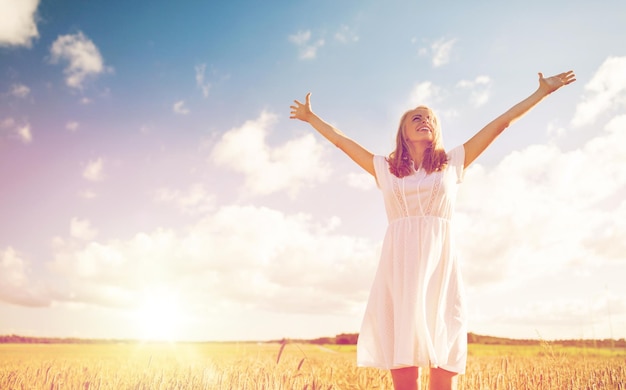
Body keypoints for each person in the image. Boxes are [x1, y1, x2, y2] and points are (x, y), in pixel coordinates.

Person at [289, 70, 576, 390]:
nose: (425, 119)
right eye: (416, 117)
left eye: (430, 118)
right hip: (399, 269)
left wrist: (542, 93)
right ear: (403, 131)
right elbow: (342, 142)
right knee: (403, 365)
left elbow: (500, 124)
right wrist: (312, 118)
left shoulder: (453, 161)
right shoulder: (384, 168)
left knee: (444, 356)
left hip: (440, 267)